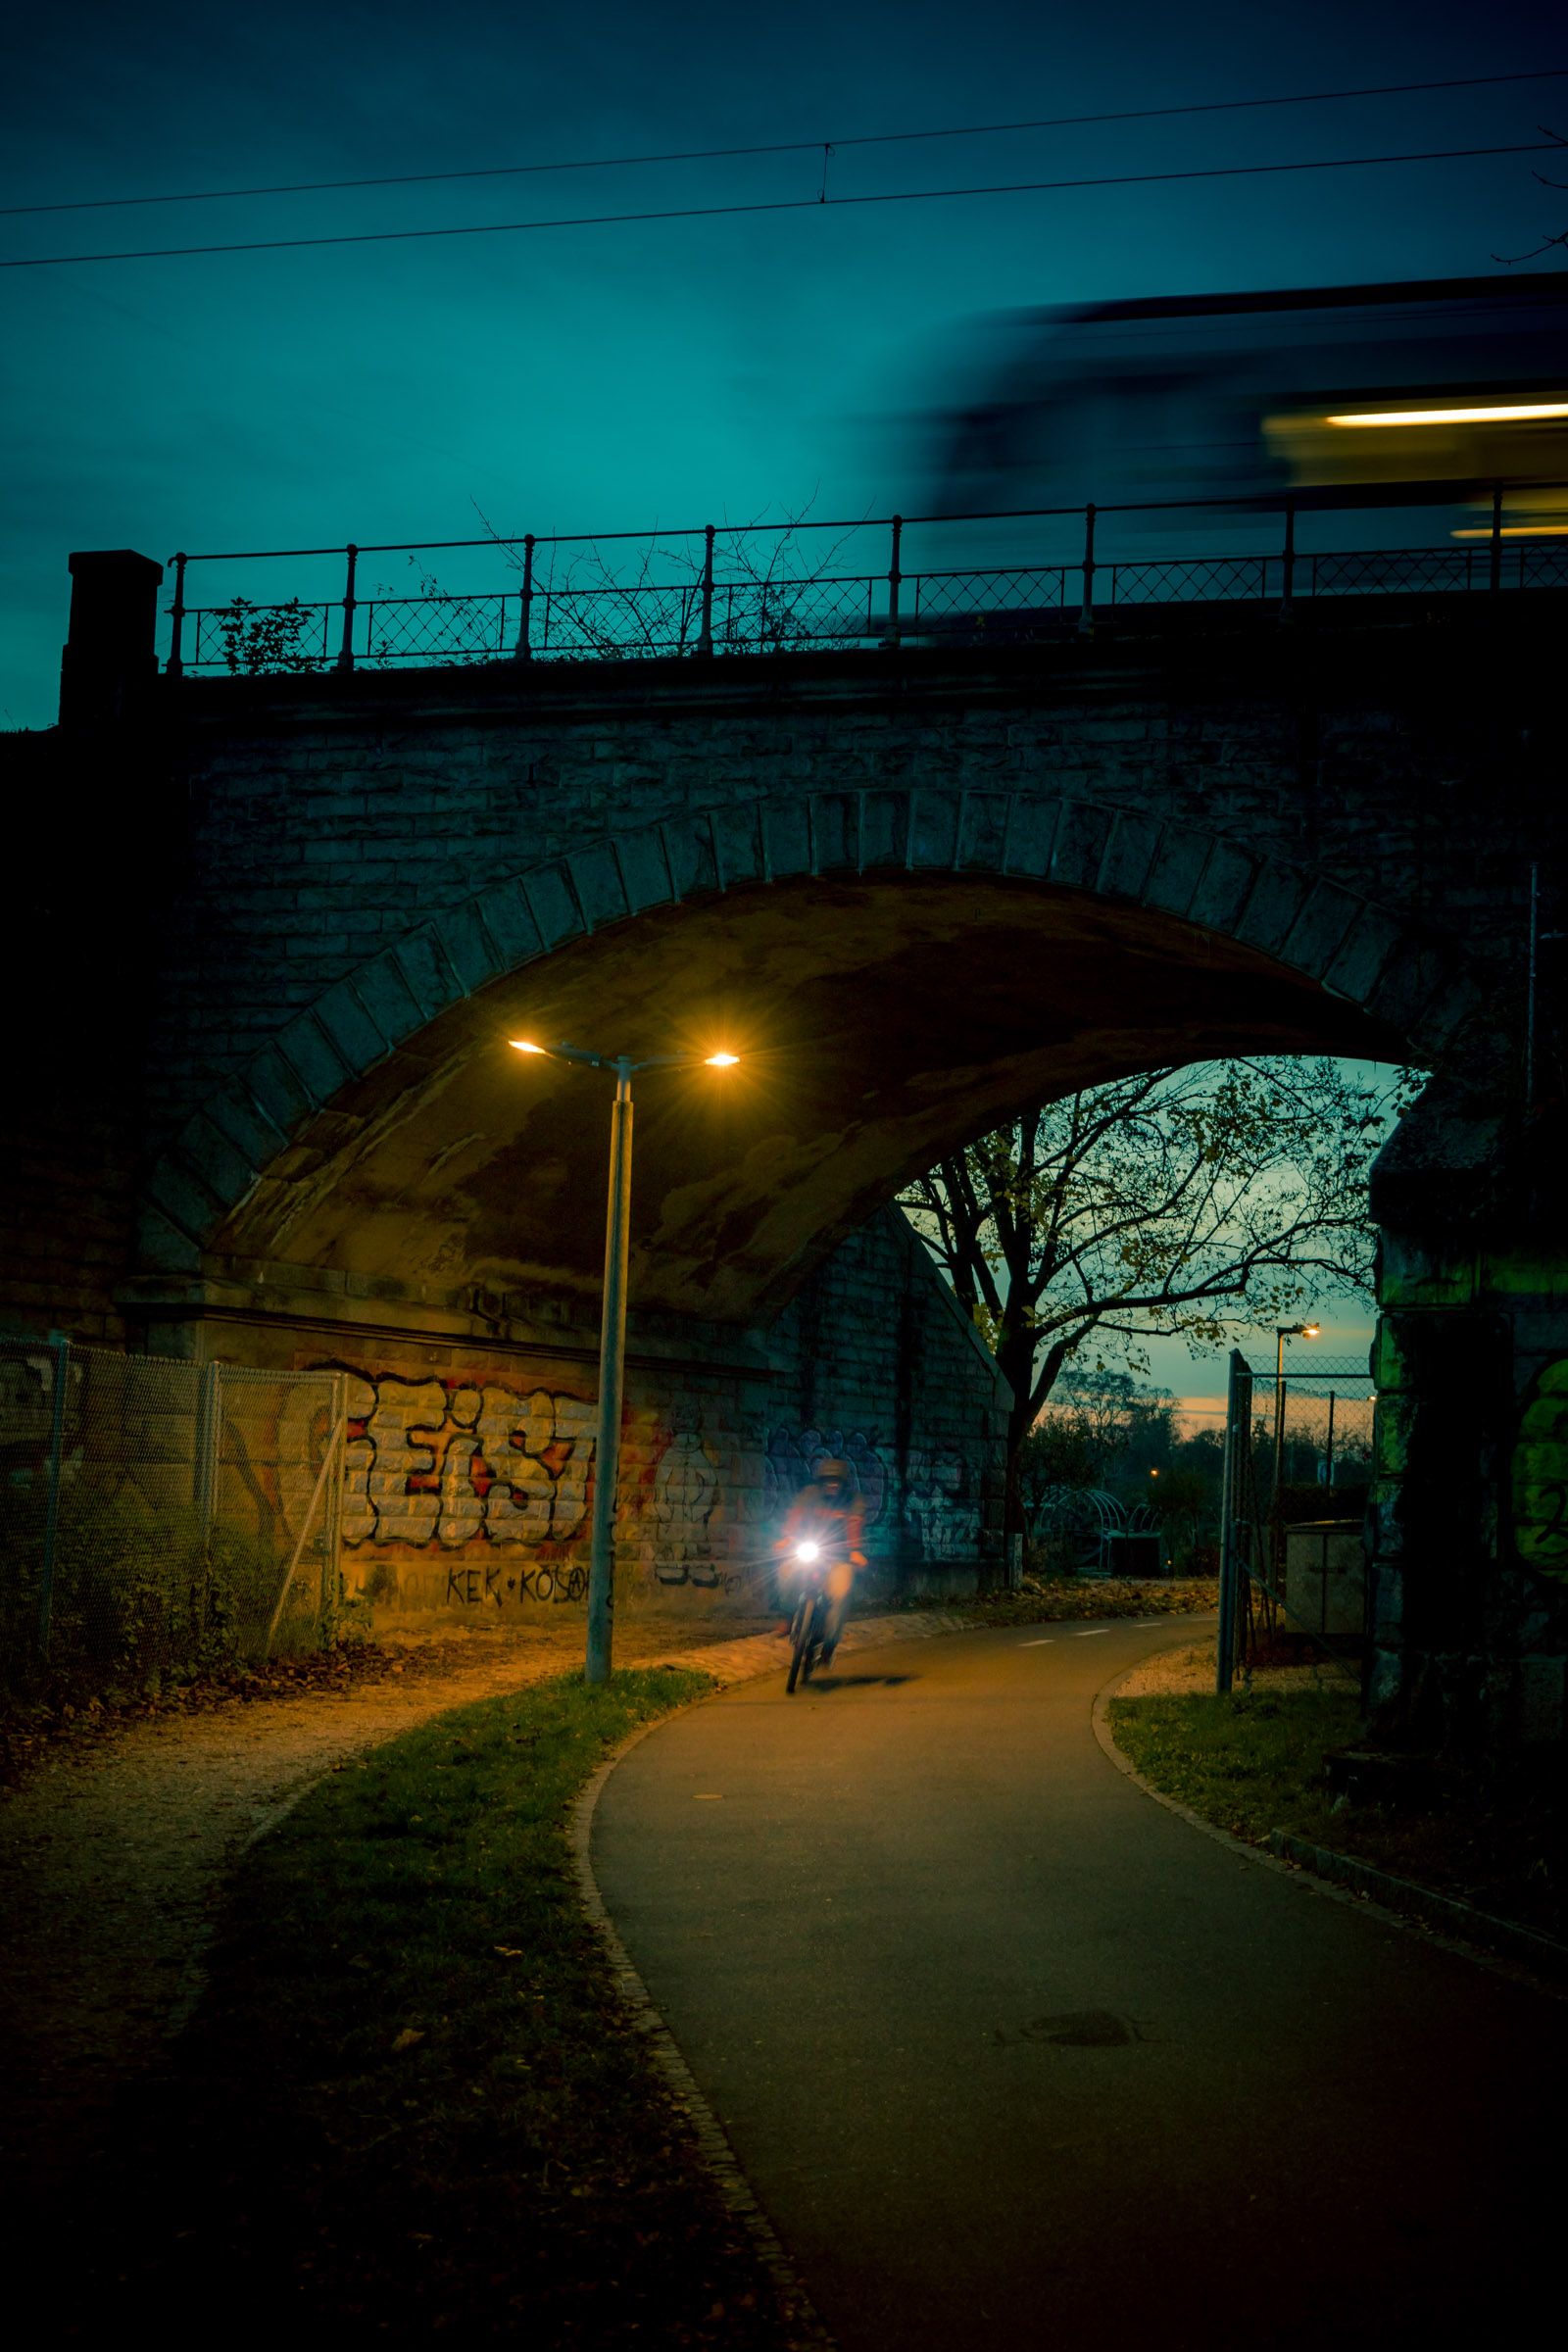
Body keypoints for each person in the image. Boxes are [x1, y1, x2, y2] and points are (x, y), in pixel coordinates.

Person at [775, 1457, 866, 1668]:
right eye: (828, 1480)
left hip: (840, 1558)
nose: (832, 1484)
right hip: (809, 1549)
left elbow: (854, 1523)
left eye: (837, 1481)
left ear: (843, 1483)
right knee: (785, 1571)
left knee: (840, 1595)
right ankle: (787, 1616)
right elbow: (795, 1516)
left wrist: (855, 1551)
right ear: (821, 1481)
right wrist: (787, 1538)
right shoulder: (809, 1495)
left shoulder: (853, 1500)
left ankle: (829, 1646)